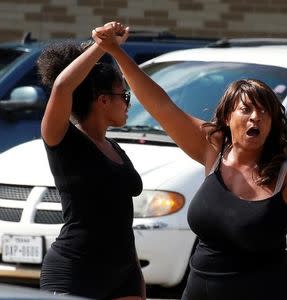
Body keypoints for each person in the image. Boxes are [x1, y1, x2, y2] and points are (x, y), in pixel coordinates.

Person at [93, 22, 287, 300]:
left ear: (273, 123)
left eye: (264, 112)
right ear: (227, 118)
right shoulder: (212, 151)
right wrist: (116, 52)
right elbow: (160, 105)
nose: (256, 117)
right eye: (246, 109)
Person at [37, 23, 145, 300]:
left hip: (124, 274)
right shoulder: (62, 139)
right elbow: (62, 85)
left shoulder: (115, 148)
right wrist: (102, 45)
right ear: (102, 100)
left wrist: (136, 275)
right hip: (76, 271)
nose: (128, 103)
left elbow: (119, 218)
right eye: (124, 96)